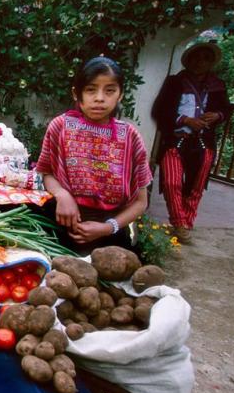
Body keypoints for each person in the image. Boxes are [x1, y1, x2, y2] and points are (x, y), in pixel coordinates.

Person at [36, 57, 152, 252]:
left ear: (120, 94)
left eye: (110, 90)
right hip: (61, 225)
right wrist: (62, 194)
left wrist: (108, 227)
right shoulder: (61, 127)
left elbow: (141, 202)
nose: (100, 98)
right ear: (76, 93)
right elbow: (47, 173)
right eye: (91, 89)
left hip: (111, 234)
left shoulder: (130, 137)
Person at [151, 39, 231, 243]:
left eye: (205, 59)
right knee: (171, 182)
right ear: (188, 60)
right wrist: (185, 120)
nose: (200, 62)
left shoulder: (217, 86)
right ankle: (179, 221)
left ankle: (185, 223)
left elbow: (226, 111)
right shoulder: (175, 82)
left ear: (211, 62)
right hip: (176, 140)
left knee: (196, 185)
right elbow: (160, 110)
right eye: (196, 58)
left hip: (203, 142)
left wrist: (217, 116)